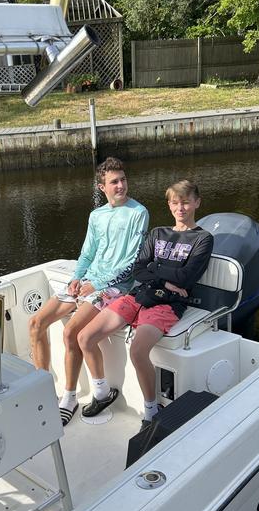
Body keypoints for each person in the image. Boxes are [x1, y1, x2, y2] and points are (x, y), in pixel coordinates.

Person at [78, 179, 213, 428]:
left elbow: (186, 277)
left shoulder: (202, 239)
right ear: (169, 205)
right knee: (85, 337)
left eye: (185, 202)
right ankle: (101, 393)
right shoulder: (158, 233)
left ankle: (151, 411)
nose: (180, 208)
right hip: (137, 297)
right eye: (175, 202)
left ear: (197, 203)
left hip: (168, 304)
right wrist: (164, 276)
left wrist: (156, 269)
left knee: (138, 352)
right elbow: (139, 270)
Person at [29, 157, 149, 426]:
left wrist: (96, 284)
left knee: (71, 331)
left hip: (115, 286)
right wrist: (76, 278)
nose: (121, 186)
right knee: (36, 323)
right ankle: (41, 389)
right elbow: (87, 253)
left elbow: (131, 263)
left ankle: (69, 397)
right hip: (89, 280)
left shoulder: (138, 213)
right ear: (101, 187)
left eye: (123, 180)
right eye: (114, 182)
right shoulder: (96, 216)